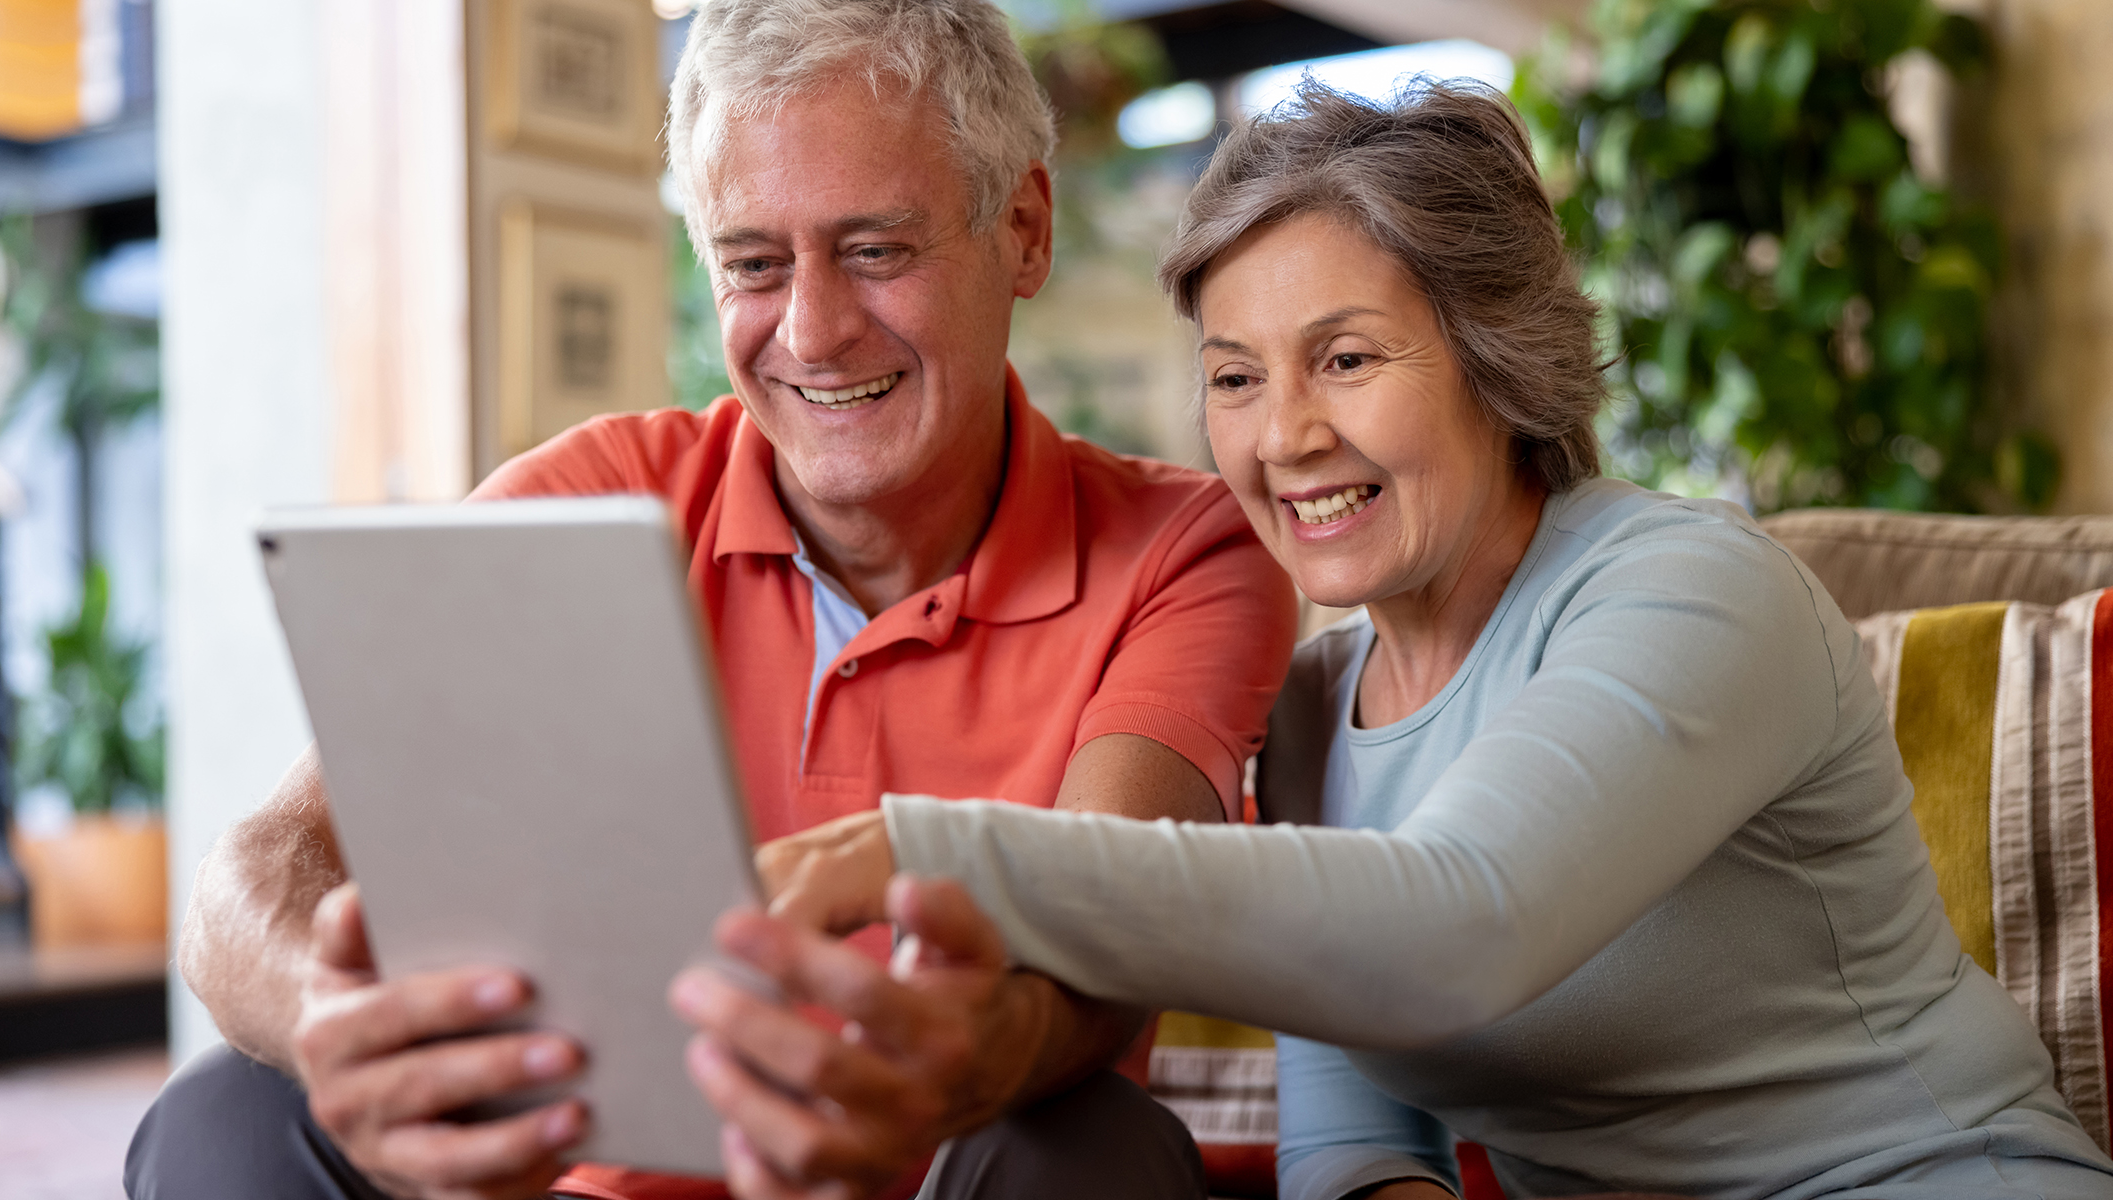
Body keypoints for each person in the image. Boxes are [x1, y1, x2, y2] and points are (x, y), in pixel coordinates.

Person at [679, 83, 2113, 1200]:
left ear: (1498, 362)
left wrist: (925, 847)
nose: (1284, 434)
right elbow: (1352, 1130)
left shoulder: (1692, 593)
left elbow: (1454, 926)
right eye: (1233, 377)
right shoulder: (1310, 713)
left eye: (1346, 359)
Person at [123, 3, 1299, 1199]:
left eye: (877, 250)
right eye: (753, 263)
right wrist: (335, 1019)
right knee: (227, 1112)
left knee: (1084, 1147)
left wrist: (949, 1064)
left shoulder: (1185, 549)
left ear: (1024, 229)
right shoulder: (587, 499)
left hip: (939, 1169)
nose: (813, 331)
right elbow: (255, 875)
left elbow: (1104, 928)